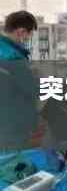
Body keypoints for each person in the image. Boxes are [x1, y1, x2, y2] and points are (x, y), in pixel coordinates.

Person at [0, 11, 39, 151]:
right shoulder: (13, 56)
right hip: (13, 126)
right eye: (30, 34)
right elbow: (33, 89)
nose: (29, 38)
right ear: (21, 32)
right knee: (15, 160)